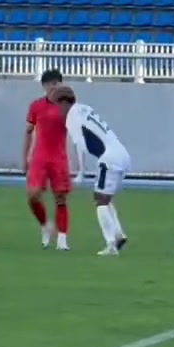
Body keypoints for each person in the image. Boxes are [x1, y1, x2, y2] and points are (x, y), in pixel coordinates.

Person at [51, 85, 131, 256]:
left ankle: (111, 245)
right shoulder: (84, 109)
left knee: (100, 199)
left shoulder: (71, 117)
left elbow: (80, 145)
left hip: (109, 158)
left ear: (64, 103)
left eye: (56, 105)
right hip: (121, 154)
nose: (56, 111)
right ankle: (118, 235)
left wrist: (81, 173)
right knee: (105, 197)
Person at [25, 69, 72, 250]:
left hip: (59, 157)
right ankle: (45, 224)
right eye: (49, 84)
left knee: (61, 198)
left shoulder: (67, 107)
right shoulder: (36, 106)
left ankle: (62, 239)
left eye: (56, 84)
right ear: (44, 86)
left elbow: (77, 130)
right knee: (32, 196)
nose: (53, 87)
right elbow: (28, 132)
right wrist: (25, 156)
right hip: (40, 157)